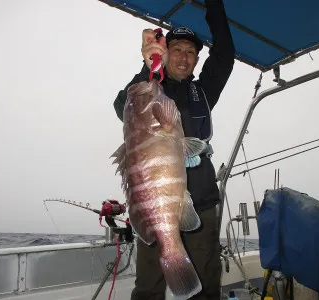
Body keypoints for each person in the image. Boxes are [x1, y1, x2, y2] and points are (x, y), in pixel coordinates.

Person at [113, 0, 235, 298]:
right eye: (176, 49)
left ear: (196, 59)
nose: (184, 57)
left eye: (191, 52)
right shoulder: (150, 86)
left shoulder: (203, 90)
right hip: (155, 206)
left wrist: (214, 6)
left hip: (202, 204)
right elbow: (122, 105)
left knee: (206, 286)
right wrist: (148, 65)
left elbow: (225, 55)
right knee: (148, 287)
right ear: (165, 54)